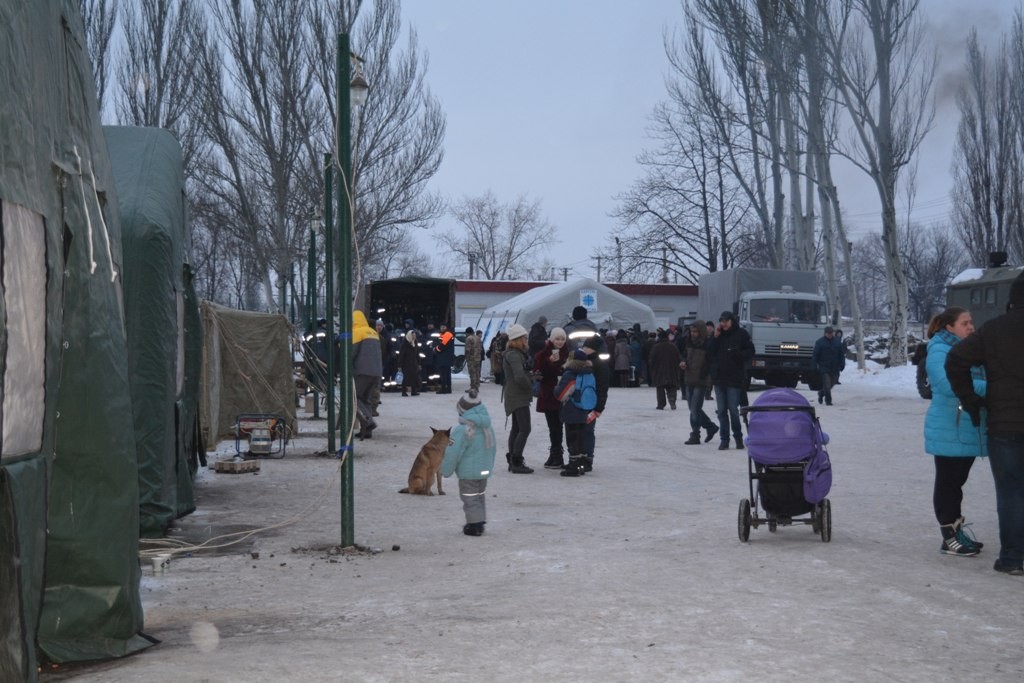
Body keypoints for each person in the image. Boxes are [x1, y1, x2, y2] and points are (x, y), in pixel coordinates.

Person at [946, 271, 1024, 576]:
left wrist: (971, 399)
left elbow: (956, 360)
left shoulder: (993, 330)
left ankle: (1012, 557)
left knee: (1011, 491)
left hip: (1004, 424)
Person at [923, 307, 987, 556]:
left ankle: (955, 531)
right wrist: (993, 388)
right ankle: (949, 536)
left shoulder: (968, 348)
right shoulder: (940, 349)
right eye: (965, 323)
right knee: (949, 483)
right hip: (950, 425)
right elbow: (947, 384)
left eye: (971, 322)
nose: (971, 326)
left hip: (964, 426)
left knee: (956, 482)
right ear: (949, 327)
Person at [441, 392, 497, 537]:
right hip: (483, 470)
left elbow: (452, 452)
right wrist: (489, 466)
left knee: (470, 497)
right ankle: (480, 519)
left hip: (468, 473)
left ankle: (474, 525)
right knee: (479, 495)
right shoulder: (487, 427)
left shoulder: (461, 430)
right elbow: (492, 448)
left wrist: (445, 470)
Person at [707, 310, 754, 450]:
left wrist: (738, 354)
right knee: (721, 411)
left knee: (733, 410)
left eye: (726, 321)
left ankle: (738, 437)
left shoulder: (741, 334)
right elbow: (709, 352)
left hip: (734, 379)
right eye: (722, 321)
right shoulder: (718, 336)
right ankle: (724, 439)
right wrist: (715, 337)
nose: (724, 324)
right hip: (719, 378)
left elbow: (751, 351)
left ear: (732, 321)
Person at [553, 348, 597, 477]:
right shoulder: (589, 373)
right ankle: (581, 464)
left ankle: (573, 466)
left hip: (572, 410)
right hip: (585, 409)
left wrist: (556, 387)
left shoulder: (570, 374)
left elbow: (561, 395)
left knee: (572, 438)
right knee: (581, 437)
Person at [501, 323, 535, 474]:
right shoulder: (514, 355)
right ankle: (516, 461)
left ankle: (513, 461)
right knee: (525, 428)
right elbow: (519, 376)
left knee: (517, 428)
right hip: (517, 395)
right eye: (524, 338)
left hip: (515, 394)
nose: (526, 340)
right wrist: (530, 385)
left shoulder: (515, 353)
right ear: (518, 339)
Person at [533, 327, 569, 469]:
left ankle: (557, 454)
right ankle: (555, 453)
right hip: (548, 394)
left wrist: (561, 366)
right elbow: (538, 374)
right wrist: (549, 362)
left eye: (562, 339)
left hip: (563, 395)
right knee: (553, 426)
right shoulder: (542, 355)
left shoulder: (568, 354)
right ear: (551, 339)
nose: (560, 342)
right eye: (557, 339)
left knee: (558, 426)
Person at [681, 320, 718, 445]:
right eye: (692, 331)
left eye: (695, 331)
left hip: (700, 381)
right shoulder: (688, 342)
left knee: (695, 409)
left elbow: (710, 362)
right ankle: (710, 426)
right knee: (693, 408)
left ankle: (695, 434)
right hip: (689, 378)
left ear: (701, 332)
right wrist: (683, 362)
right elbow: (684, 356)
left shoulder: (708, 344)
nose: (693, 334)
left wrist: (704, 374)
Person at [579, 334, 610, 473]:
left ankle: (588, 459)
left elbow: (603, 388)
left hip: (591, 403)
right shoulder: (581, 361)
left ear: (594, 349)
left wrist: (599, 408)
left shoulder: (599, 364)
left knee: (588, 431)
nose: (584, 349)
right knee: (578, 431)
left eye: (587, 347)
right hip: (579, 402)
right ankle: (578, 457)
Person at [351, 311, 382, 439]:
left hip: (362, 371)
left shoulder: (357, 332)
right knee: (366, 400)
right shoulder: (373, 332)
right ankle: (367, 431)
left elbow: (352, 353)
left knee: (353, 398)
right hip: (376, 372)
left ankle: (368, 422)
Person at [648, 329, 682, 410]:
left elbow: (651, 359)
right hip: (672, 369)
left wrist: (652, 369)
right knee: (672, 387)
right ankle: (672, 400)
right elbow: (678, 357)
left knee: (660, 388)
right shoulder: (673, 346)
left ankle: (661, 404)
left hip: (659, 370)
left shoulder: (656, 347)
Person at [812, 326, 846, 406]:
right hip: (824, 366)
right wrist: (814, 365)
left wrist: (842, 364)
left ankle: (821, 393)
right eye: (828, 333)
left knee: (832, 383)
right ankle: (828, 400)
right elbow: (815, 355)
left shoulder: (837, 342)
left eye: (831, 333)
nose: (830, 334)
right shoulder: (820, 342)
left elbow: (841, 354)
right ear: (825, 333)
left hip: (835, 367)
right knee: (827, 384)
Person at [433, 323, 455, 394]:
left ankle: (444, 389)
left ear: (446, 327)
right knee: (447, 373)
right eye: (441, 327)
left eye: (443, 327)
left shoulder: (447, 334)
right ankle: (448, 388)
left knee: (444, 374)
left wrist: (436, 349)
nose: (442, 328)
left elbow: (442, 345)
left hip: (444, 357)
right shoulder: (444, 334)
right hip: (445, 357)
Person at [397, 329, 420, 397]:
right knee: (406, 378)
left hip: (414, 363)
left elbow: (417, 353)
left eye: (415, 335)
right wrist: (400, 365)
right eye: (412, 335)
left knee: (415, 377)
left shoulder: (415, 342)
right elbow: (401, 355)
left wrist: (419, 362)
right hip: (406, 364)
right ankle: (404, 391)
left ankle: (414, 390)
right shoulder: (405, 343)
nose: (414, 337)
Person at [463, 326, 483, 395]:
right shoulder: (478, 338)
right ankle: (477, 387)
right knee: (477, 373)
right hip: (478, 358)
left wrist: (466, 357)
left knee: (472, 374)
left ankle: (473, 388)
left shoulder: (469, 338)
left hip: (471, 359)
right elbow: (481, 348)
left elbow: (468, 349)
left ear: (467, 333)